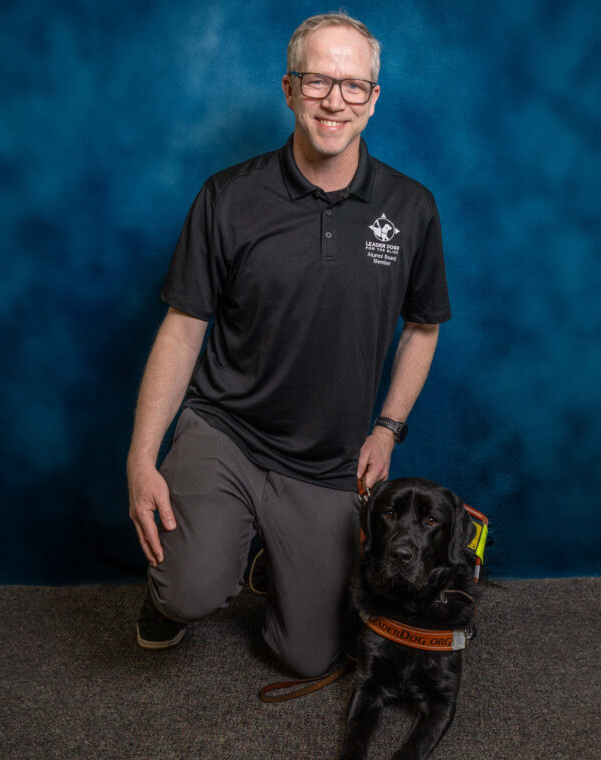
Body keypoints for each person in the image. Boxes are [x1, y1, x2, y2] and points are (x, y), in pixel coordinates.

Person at [126, 12, 451, 678]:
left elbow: (424, 326)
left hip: (326, 461)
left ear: (374, 98)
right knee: (190, 589)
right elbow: (183, 330)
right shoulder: (228, 198)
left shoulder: (411, 208)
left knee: (309, 657)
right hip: (228, 434)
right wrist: (140, 456)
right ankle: (178, 590)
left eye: (353, 85)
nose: (335, 100)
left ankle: (275, 554)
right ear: (288, 89)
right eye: (317, 81)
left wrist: (387, 430)